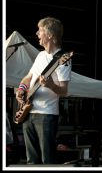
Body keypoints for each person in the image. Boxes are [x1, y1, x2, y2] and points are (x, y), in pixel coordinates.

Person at [15, 17, 72, 164]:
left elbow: (64, 91)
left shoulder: (63, 59)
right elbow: (28, 77)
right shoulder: (40, 55)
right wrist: (21, 89)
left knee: (48, 160)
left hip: (46, 115)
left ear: (50, 35)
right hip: (29, 111)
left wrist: (51, 85)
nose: (37, 33)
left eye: (40, 31)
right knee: (31, 161)